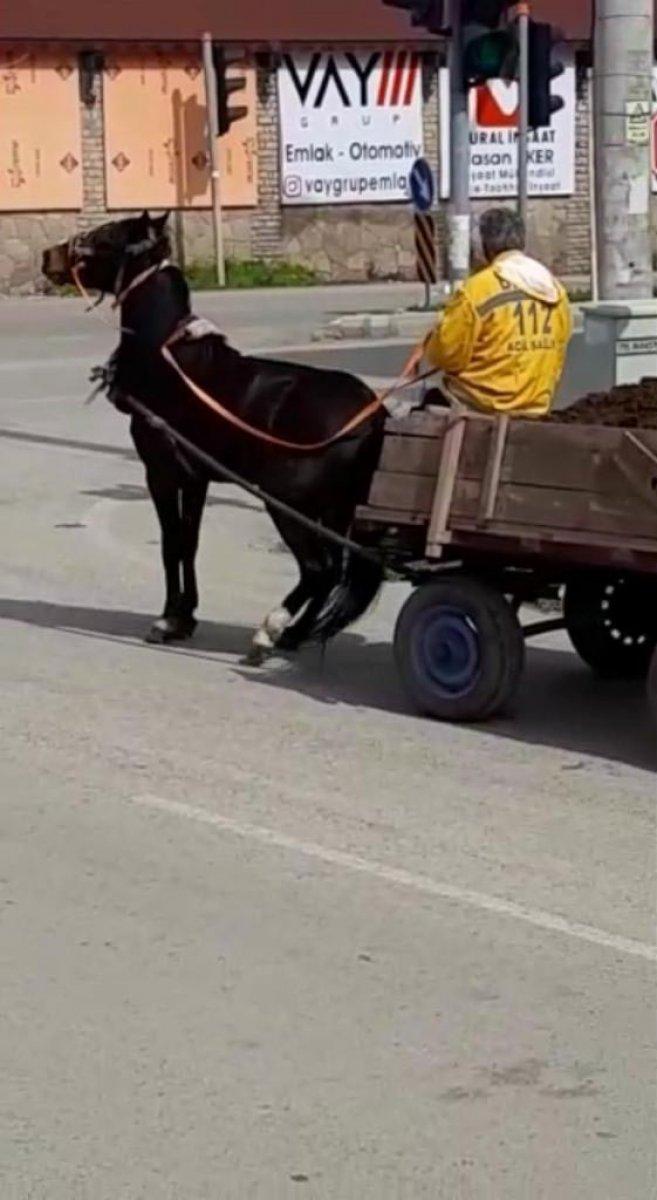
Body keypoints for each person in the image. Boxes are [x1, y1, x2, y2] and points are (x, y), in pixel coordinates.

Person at [411, 208, 572, 418]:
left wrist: (436, 335)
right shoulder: (556, 289)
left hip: (479, 406)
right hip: (536, 407)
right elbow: (560, 349)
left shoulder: (476, 290)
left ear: (484, 245)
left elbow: (446, 356)